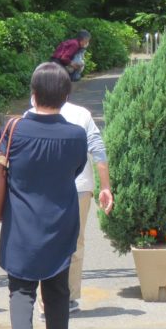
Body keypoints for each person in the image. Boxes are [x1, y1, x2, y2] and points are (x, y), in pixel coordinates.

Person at [0, 62, 89, 329]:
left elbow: (1, 165)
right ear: (66, 96)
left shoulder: (12, 131)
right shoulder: (76, 136)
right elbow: (76, 171)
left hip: (22, 222)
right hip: (60, 221)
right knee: (57, 290)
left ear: (33, 94)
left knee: (21, 287)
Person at [24, 94, 114, 315]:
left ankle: (45, 299)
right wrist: (105, 186)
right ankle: (68, 297)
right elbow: (98, 151)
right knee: (75, 242)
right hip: (79, 188)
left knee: (44, 240)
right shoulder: (81, 114)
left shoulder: (30, 115)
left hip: (41, 191)